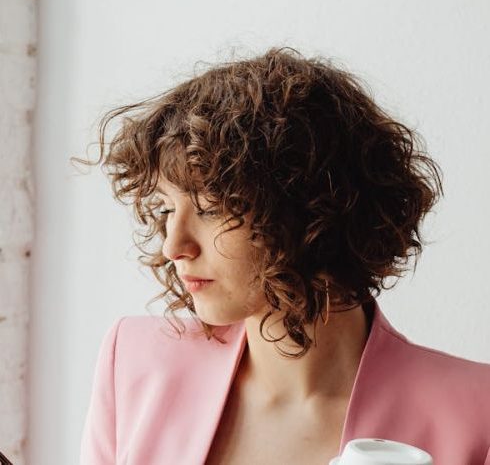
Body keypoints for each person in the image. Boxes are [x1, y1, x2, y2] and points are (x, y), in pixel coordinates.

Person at [73, 47, 490, 464]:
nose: (174, 245)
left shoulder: (475, 416)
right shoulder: (134, 362)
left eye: (212, 208)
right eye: (166, 209)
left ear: (314, 207)